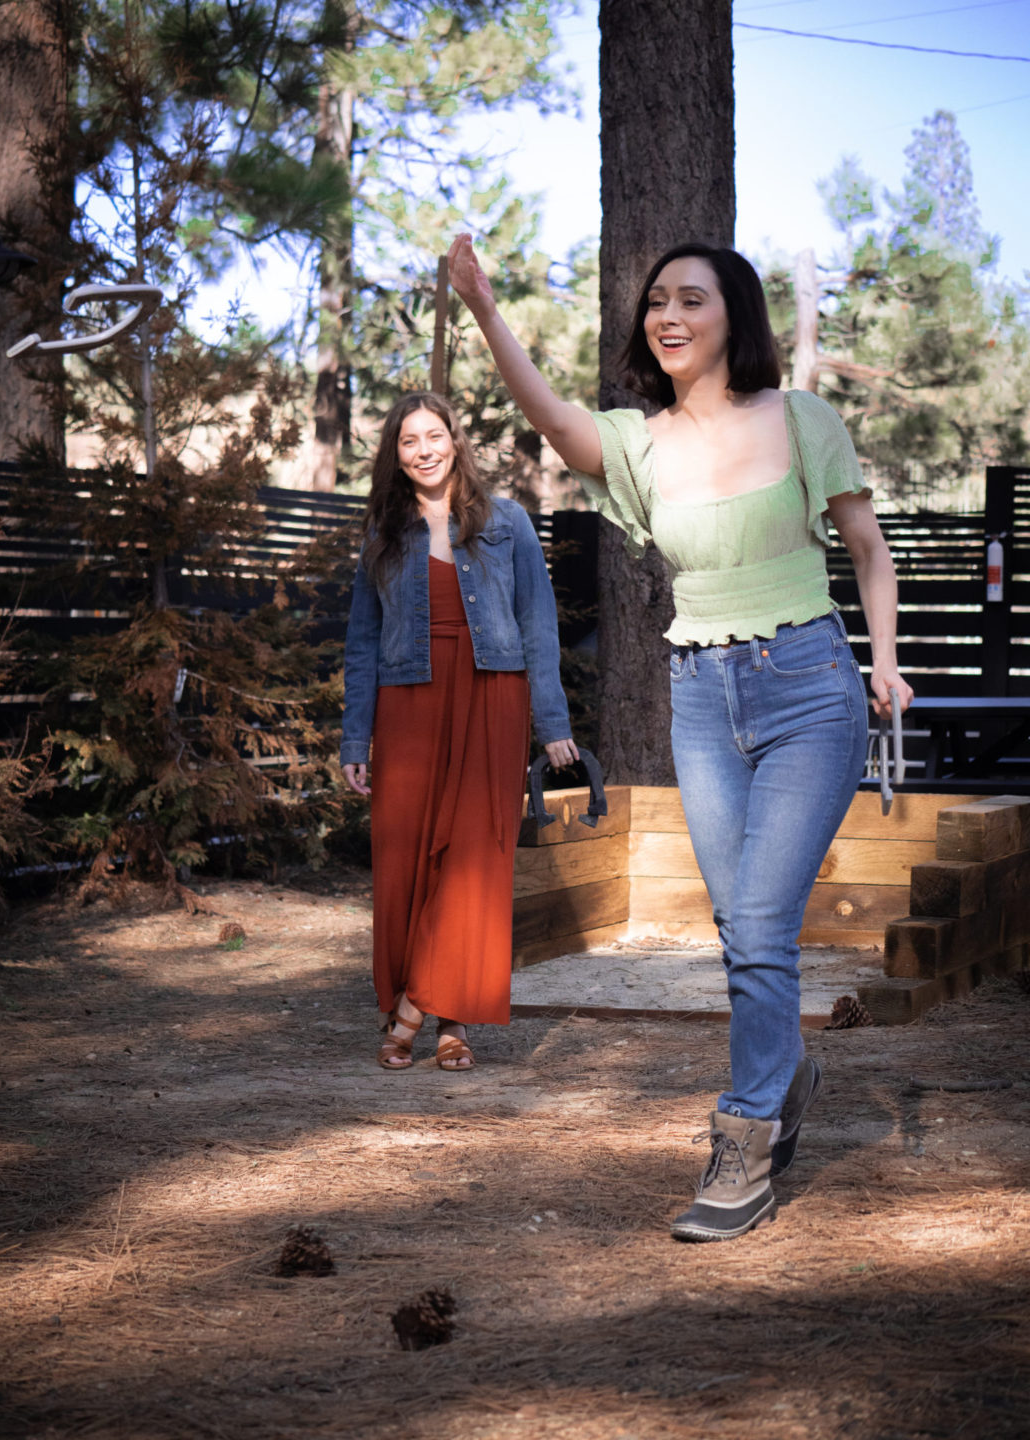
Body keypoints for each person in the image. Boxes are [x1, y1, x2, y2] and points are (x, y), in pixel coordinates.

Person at [447, 233, 913, 1239]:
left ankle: (743, 1137)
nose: (667, 315)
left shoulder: (802, 418)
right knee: (737, 926)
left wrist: (883, 660)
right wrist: (486, 309)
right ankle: (786, 1069)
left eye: (690, 300)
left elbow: (870, 552)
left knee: (758, 924)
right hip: (701, 695)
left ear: (732, 317)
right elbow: (551, 414)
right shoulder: (638, 440)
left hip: (811, 690)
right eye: (656, 302)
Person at [340, 391, 578, 1072]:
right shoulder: (383, 536)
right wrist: (356, 739)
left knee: (475, 858)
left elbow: (538, 624)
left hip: (490, 696)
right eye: (408, 440)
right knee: (408, 856)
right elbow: (361, 644)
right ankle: (429, 1011)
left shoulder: (507, 523)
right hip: (407, 702)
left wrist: (552, 722)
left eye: (433, 436)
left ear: (455, 441)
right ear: (396, 454)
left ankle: (433, 1016)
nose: (423, 450)